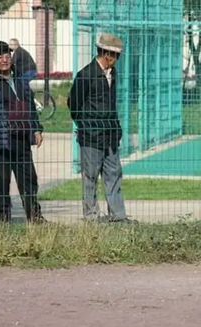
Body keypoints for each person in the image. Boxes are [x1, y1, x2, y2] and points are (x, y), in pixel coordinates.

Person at [0, 40, 45, 223]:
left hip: (21, 136)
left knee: (29, 179)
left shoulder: (20, 78)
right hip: (1, 139)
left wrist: (36, 129)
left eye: (7, 56)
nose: (5, 60)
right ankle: (4, 220)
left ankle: (35, 217)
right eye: (0, 56)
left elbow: (30, 105)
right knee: (2, 181)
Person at [67, 33, 133, 223]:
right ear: (105, 54)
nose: (117, 59)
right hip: (91, 136)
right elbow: (74, 104)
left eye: (118, 55)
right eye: (115, 55)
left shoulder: (113, 74)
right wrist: (87, 126)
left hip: (111, 135)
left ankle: (118, 216)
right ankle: (91, 217)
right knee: (90, 177)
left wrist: (116, 129)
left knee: (114, 174)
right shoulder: (86, 75)